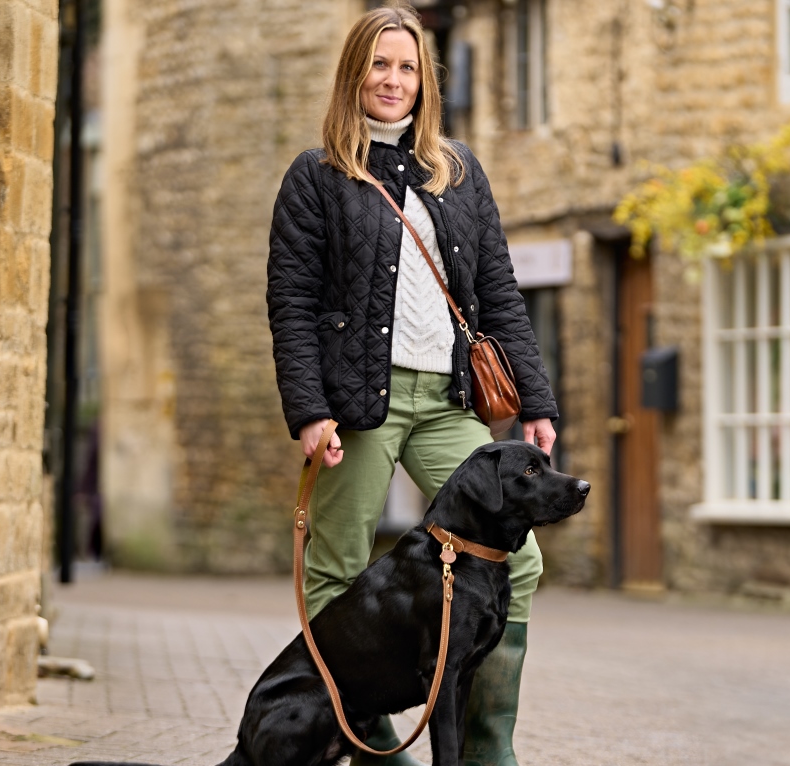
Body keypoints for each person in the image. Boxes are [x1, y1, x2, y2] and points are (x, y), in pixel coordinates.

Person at [266, 4, 558, 765]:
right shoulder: (317, 176)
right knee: (337, 568)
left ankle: (489, 749)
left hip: (449, 402)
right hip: (359, 404)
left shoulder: (456, 171)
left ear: (425, 79)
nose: (393, 81)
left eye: (407, 67)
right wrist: (309, 411)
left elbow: (498, 292)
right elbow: (291, 302)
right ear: (354, 74)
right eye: (380, 65)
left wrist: (536, 402)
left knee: (516, 561)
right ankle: (375, 745)